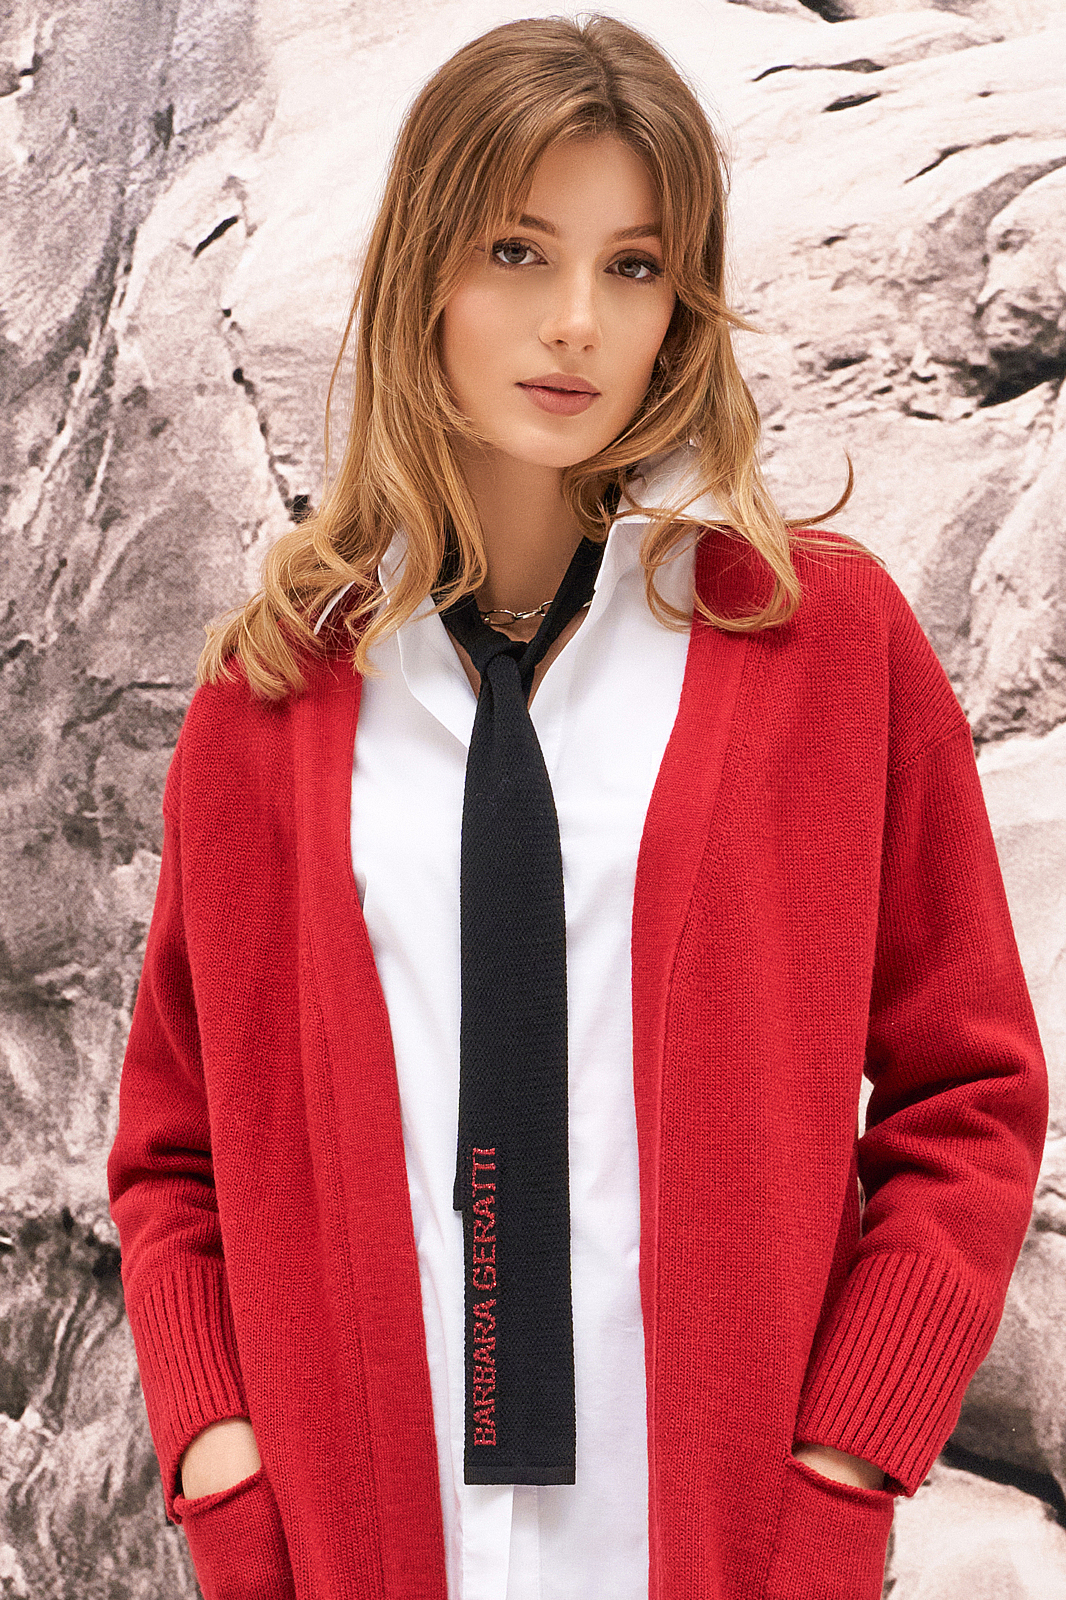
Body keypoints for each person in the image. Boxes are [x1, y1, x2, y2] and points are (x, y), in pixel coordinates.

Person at [106, 13, 1048, 1600]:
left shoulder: (821, 646)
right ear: (424, 272)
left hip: (719, 1548)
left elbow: (969, 1097)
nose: (574, 324)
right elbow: (173, 1154)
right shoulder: (267, 702)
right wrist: (221, 1457)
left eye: (632, 267)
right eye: (518, 251)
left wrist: (842, 1467)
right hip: (360, 1550)